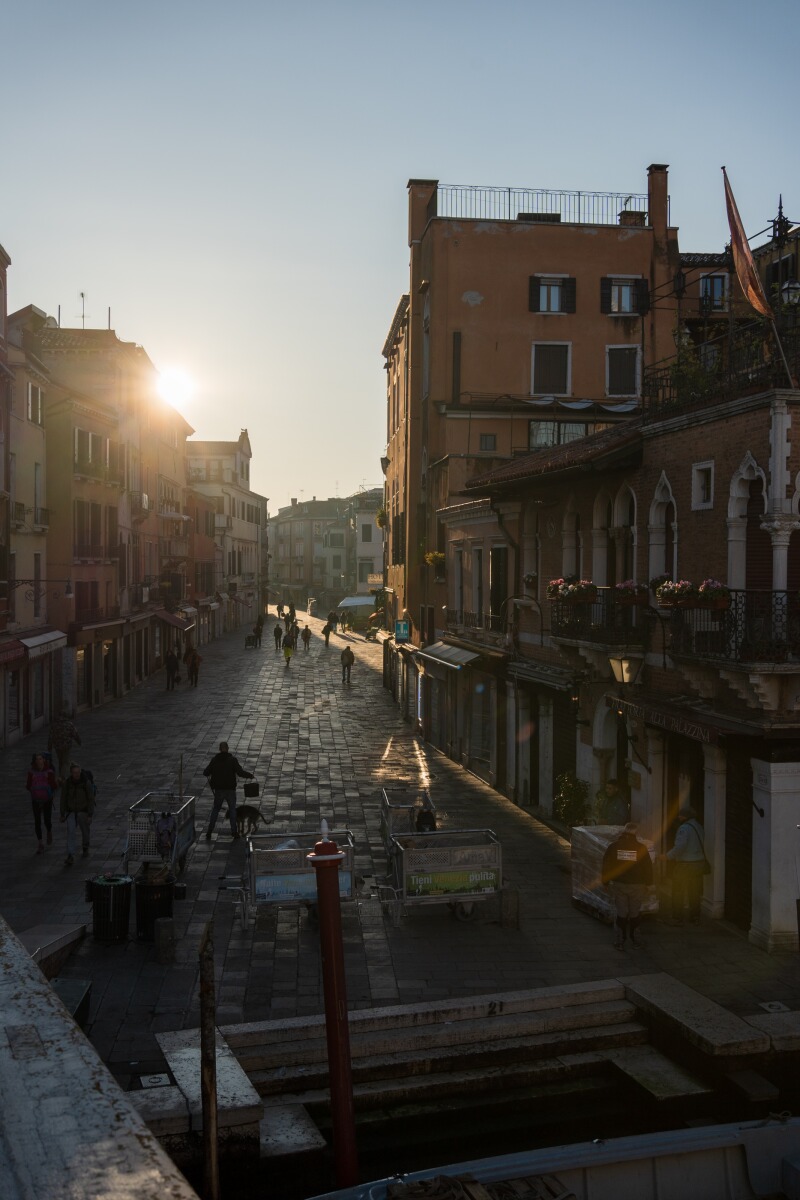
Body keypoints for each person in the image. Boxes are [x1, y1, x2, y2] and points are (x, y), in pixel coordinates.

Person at [601, 822, 654, 949]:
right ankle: (635, 940)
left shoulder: (614, 847)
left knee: (621, 912)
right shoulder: (641, 848)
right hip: (637, 886)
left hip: (619, 884)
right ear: (636, 833)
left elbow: (606, 865)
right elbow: (648, 868)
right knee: (635, 912)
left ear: (624, 832)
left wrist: (605, 882)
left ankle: (620, 941)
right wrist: (649, 884)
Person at [202, 741, 254, 841]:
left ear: (219, 749)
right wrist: (250, 775)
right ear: (228, 748)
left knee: (216, 809)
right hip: (230, 790)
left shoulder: (214, 760)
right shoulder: (232, 760)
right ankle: (234, 832)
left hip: (219, 791)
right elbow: (240, 772)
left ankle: (209, 831)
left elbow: (206, 772)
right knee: (233, 810)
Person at [666, 806, 707, 926]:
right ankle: (695, 917)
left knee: (678, 891)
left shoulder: (684, 828)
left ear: (686, 817)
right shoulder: (699, 826)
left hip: (685, 865)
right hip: (698, 864)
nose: (679, 817)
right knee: (694, 892)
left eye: (681, 815)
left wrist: (667, 856)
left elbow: (680, 847)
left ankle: (677, 917)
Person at [60, 762, 96, 866]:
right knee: (71, 832)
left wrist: (90, 814)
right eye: (74, 773)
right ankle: (71, 854)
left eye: (78, 772)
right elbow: (63, 798)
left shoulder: (86, 783)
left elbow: (90, 799)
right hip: (71, 811)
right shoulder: (68, 783)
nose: (76, 774)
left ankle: (85, 846)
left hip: (83, 811)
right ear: (71, 773)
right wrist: (62, 813)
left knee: (85, 831)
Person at [27, 752, 57, 855]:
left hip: (47, 800)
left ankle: (49, 831)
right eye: (37, 759)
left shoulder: (49, 771)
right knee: (37, 821)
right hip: (35, 800)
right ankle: (40, 843)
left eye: (41, 759)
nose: (39, 761)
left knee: (47, 820)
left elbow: (54, 785)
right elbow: (28, 785)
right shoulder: (31, 772)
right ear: (34, 761)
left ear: (44, 760)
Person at [48, 709, 82, 779]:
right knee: (65, 761)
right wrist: (79, 741)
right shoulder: (69, 724)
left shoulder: (54, 725)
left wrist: (49, 746)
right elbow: (75, 734)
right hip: (67, 745)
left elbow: (50, 736)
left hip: (57, 746)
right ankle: (62, 776)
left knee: (61, 760)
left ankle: (61, 774)